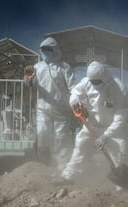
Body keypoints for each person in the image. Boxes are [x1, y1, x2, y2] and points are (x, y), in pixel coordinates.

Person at [61, 61, 128, 189]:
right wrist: (75, 101)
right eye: (92, 81)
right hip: (92, 124)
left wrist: (105, 136)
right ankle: (69, 176)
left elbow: (121, 117)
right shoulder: (86, 82)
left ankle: (124, 187)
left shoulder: (119, 88)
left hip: (114, 129)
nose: (94, 84)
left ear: (105, 78)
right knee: (81, 147)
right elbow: (75, 94)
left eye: (97, 82)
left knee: (120, 154)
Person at [24, 37, 77, 172]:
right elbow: (30, 84)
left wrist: (76, 101)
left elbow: (73, 87)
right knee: (42, 136)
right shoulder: (37, 67)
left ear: (55, 50)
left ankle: (63, 169)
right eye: (43, 50)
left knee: (62, 139)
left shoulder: (64, 67)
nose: (45, 52)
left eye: (48, 50)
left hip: (61, 109)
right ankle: (44, 167)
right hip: (43, 109)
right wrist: (28, 79)